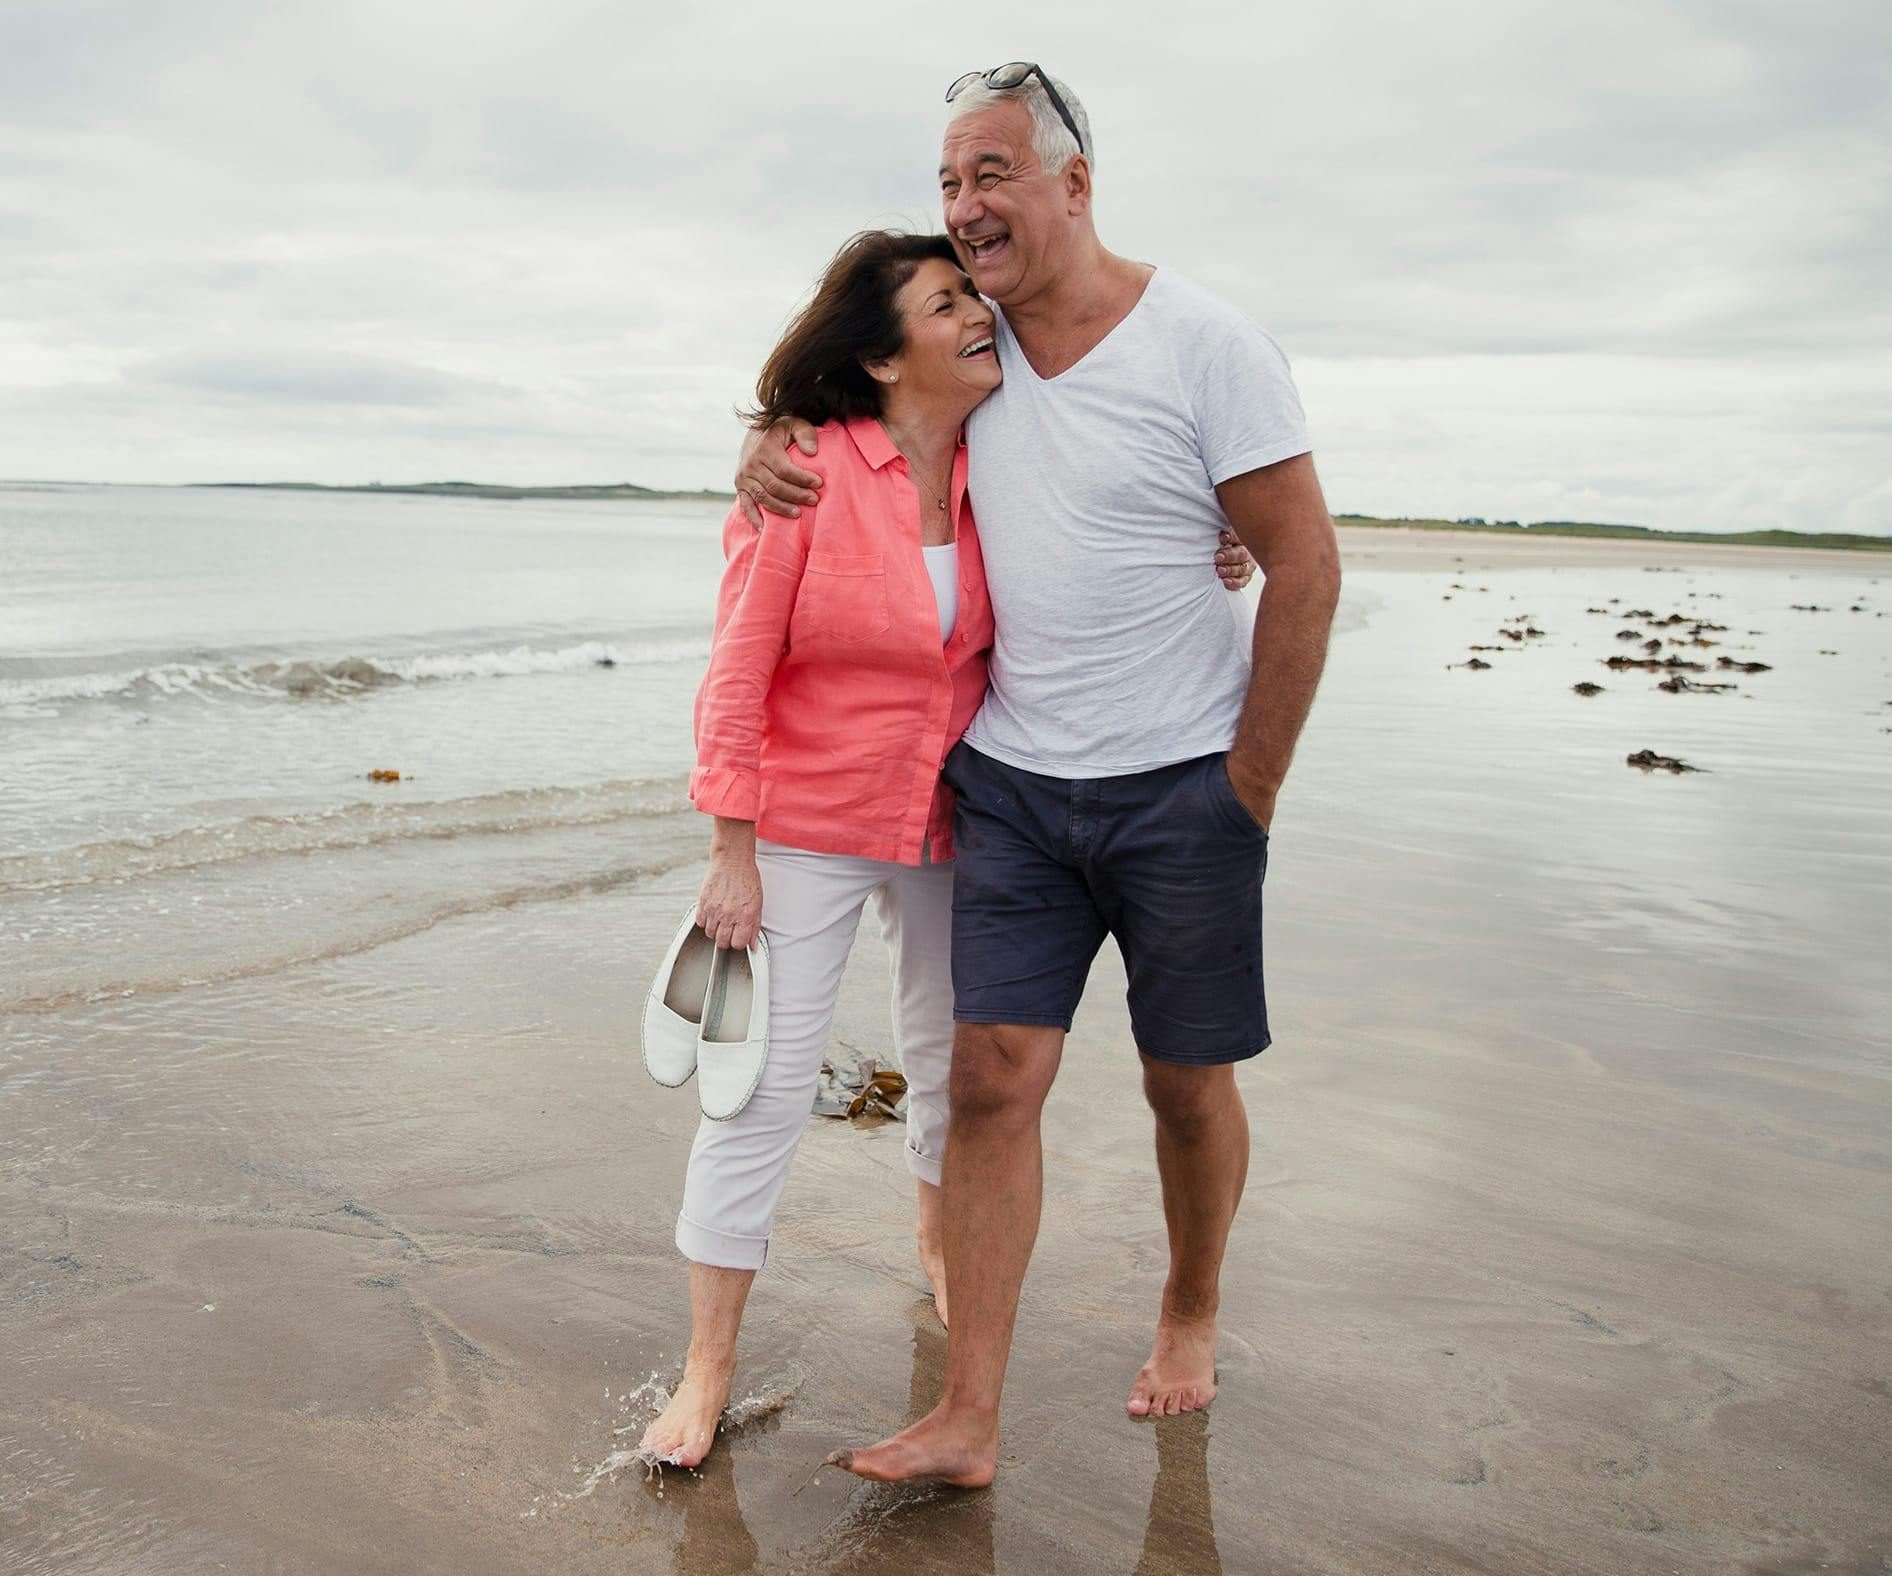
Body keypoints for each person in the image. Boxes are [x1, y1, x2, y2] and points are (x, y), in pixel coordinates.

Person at [736, 66, 1342, 1488]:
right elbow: (841, 394)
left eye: (994, 173)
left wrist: (1247, 790)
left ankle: (1189, 1310)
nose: (968, 209)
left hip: (1185, 787)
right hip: (1008, 781)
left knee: (1186, 1087)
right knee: (993, 1081)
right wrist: (766, 443)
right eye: (952, 181)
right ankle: (969, 1418)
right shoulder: (973, 346)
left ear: (1076, 183)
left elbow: (1303, 562)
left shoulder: (1208, 344)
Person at [640, 229, 1254, 1470]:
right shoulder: (807, 474)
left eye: (975, 291)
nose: (981, 310)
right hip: (809, 828)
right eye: (946, 300)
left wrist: (1215, 538)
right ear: (877, 355)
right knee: (756, 1093)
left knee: (953, 1079)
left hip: (952, 822)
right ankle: (704, 1372)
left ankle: (937, 1259)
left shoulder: (999, 456)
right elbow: (736, 673)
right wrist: (731, 850)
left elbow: (1117, 515)